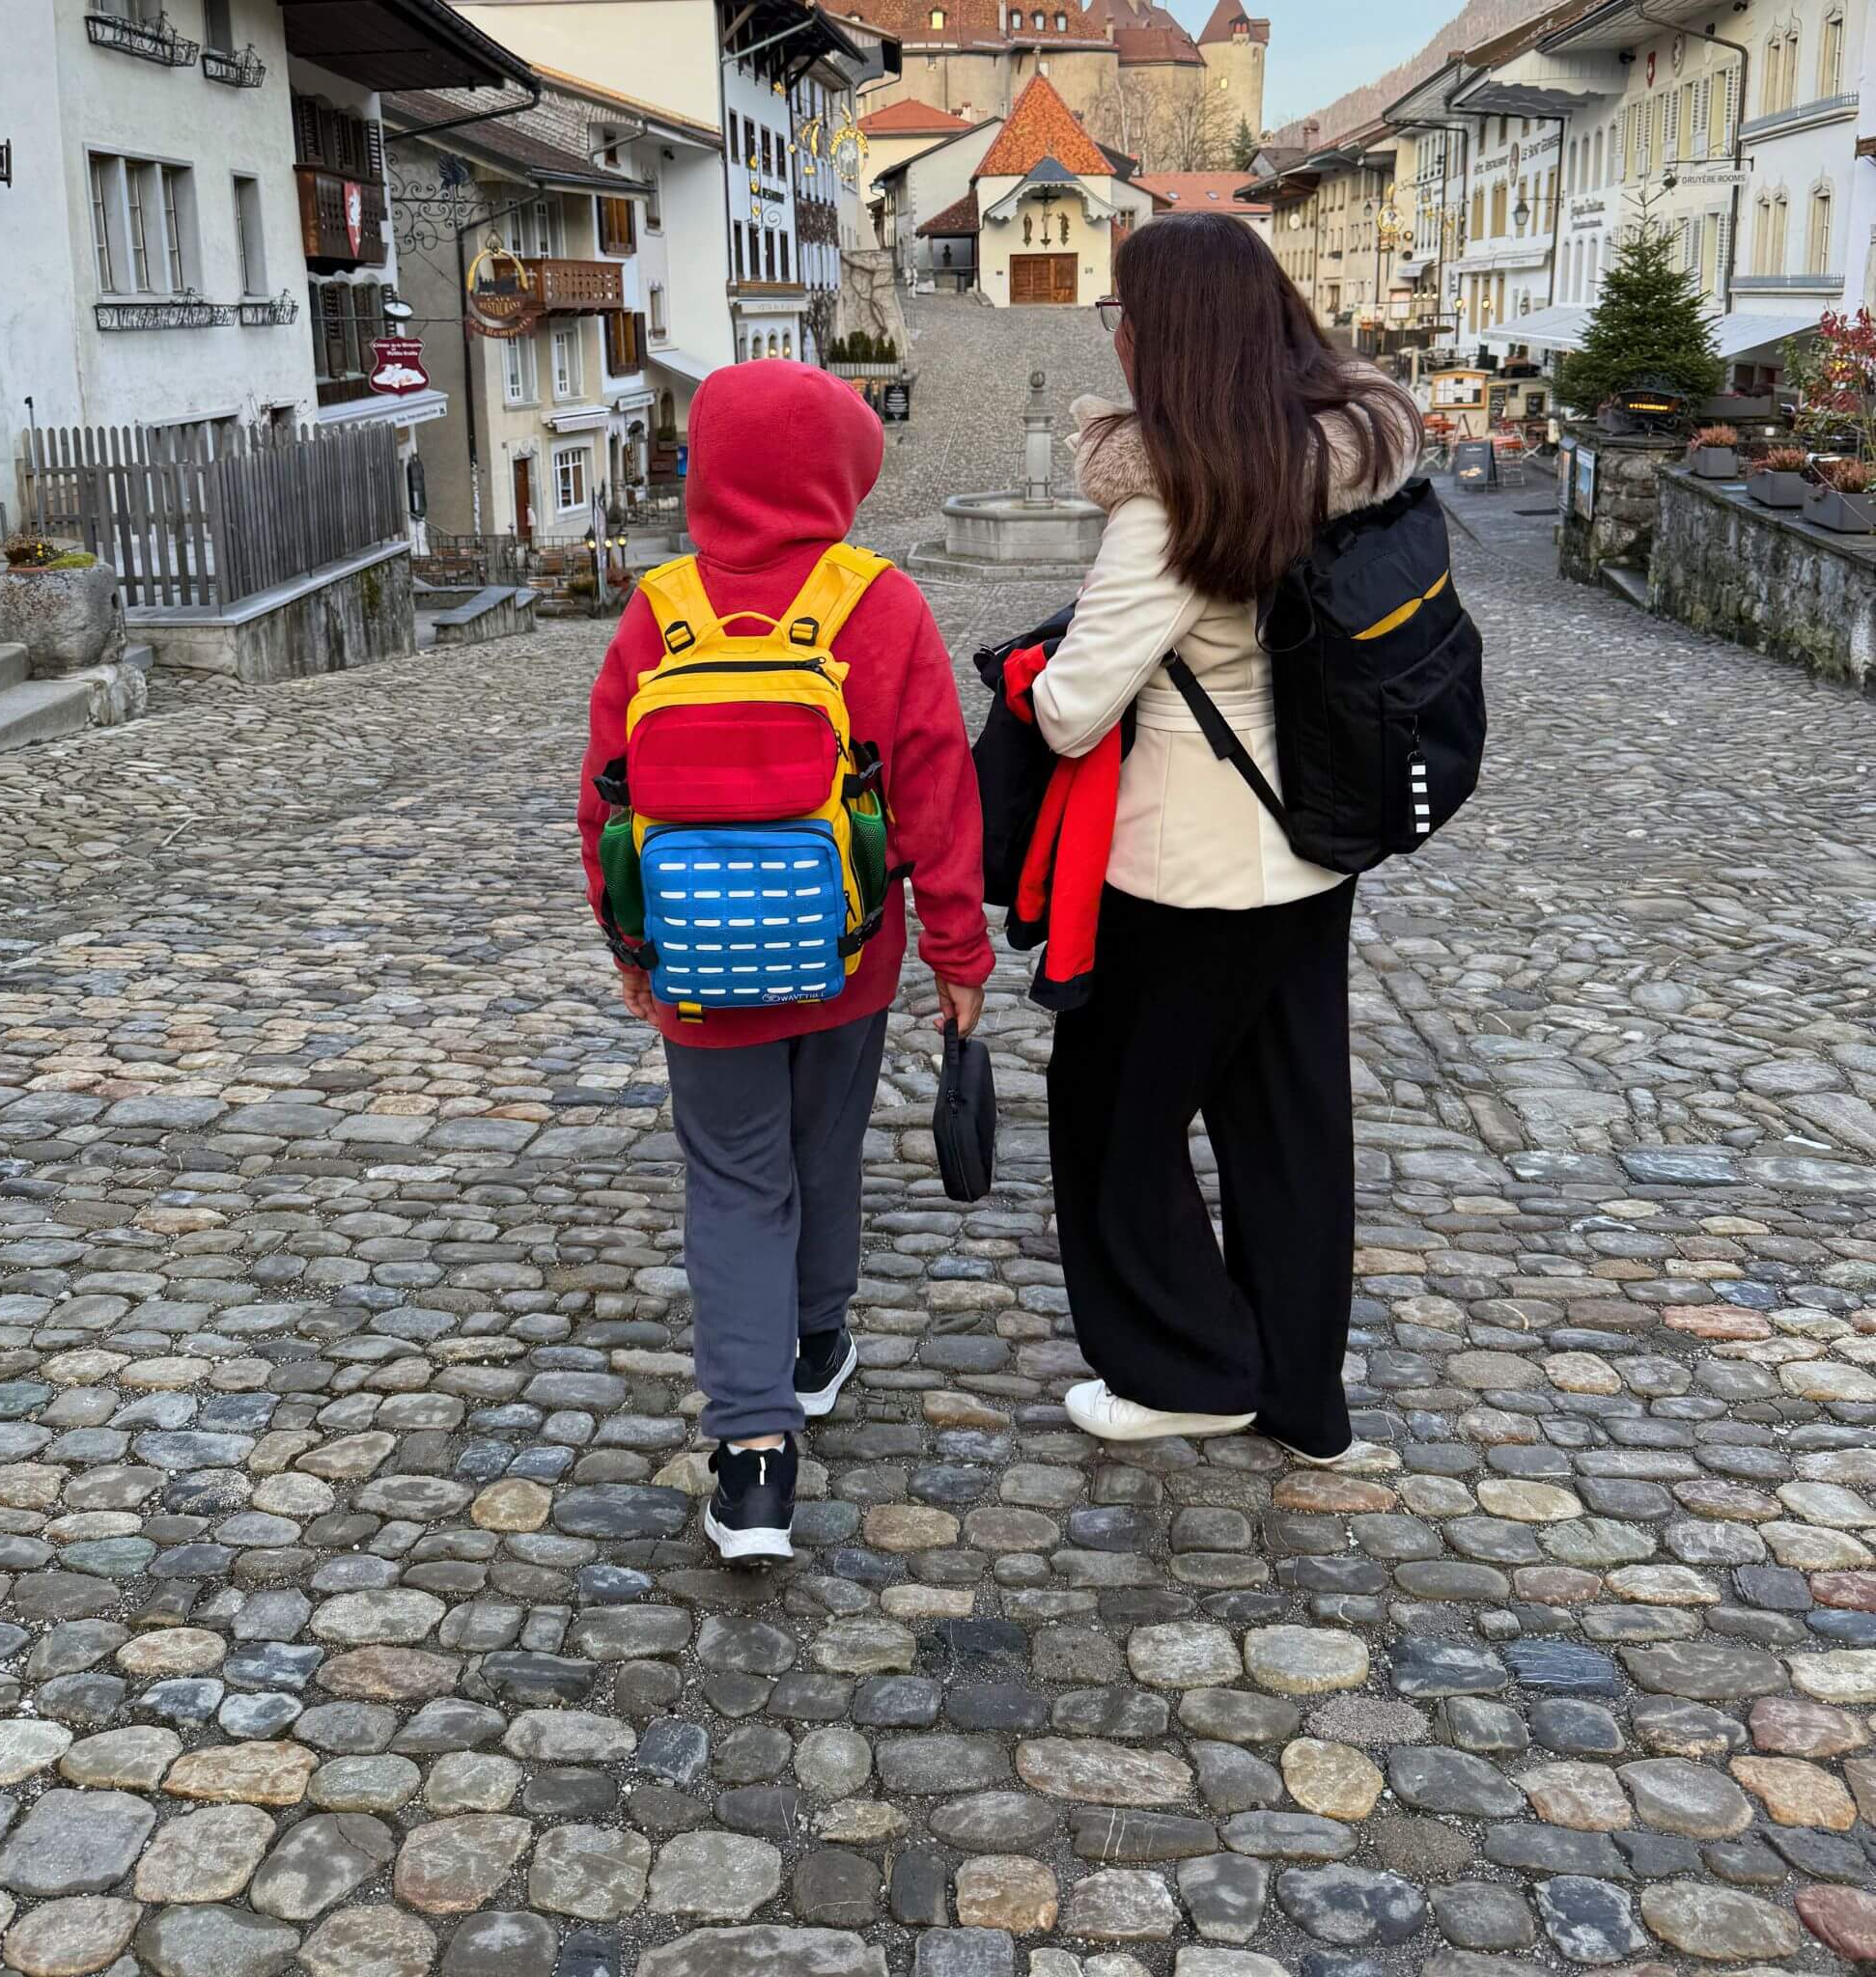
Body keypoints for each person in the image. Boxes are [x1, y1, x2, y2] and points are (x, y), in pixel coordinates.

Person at [578, 360, 993, 1561]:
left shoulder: (658, 606)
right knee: (824, 1145)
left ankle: (753, 1458)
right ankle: (814, 1342)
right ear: (835, 470)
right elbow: (933, 797)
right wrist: (957, 951)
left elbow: (605, 790)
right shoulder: (880, 603)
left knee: (732, 1178)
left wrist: (629, 940)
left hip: (702, 965)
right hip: (848, 955)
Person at [1023, 213, 1420, 1465]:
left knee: (1112, 1120)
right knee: (1288, 1130)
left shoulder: (1176, 501)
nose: (1119, 334)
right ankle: (1302, 1399)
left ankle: (1183, 1367)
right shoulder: (1346, 460)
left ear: (1169, 336)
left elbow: (1074, 704)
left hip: (1183, 875)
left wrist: (1040, 667)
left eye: (1126, 313)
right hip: (1311, 852)